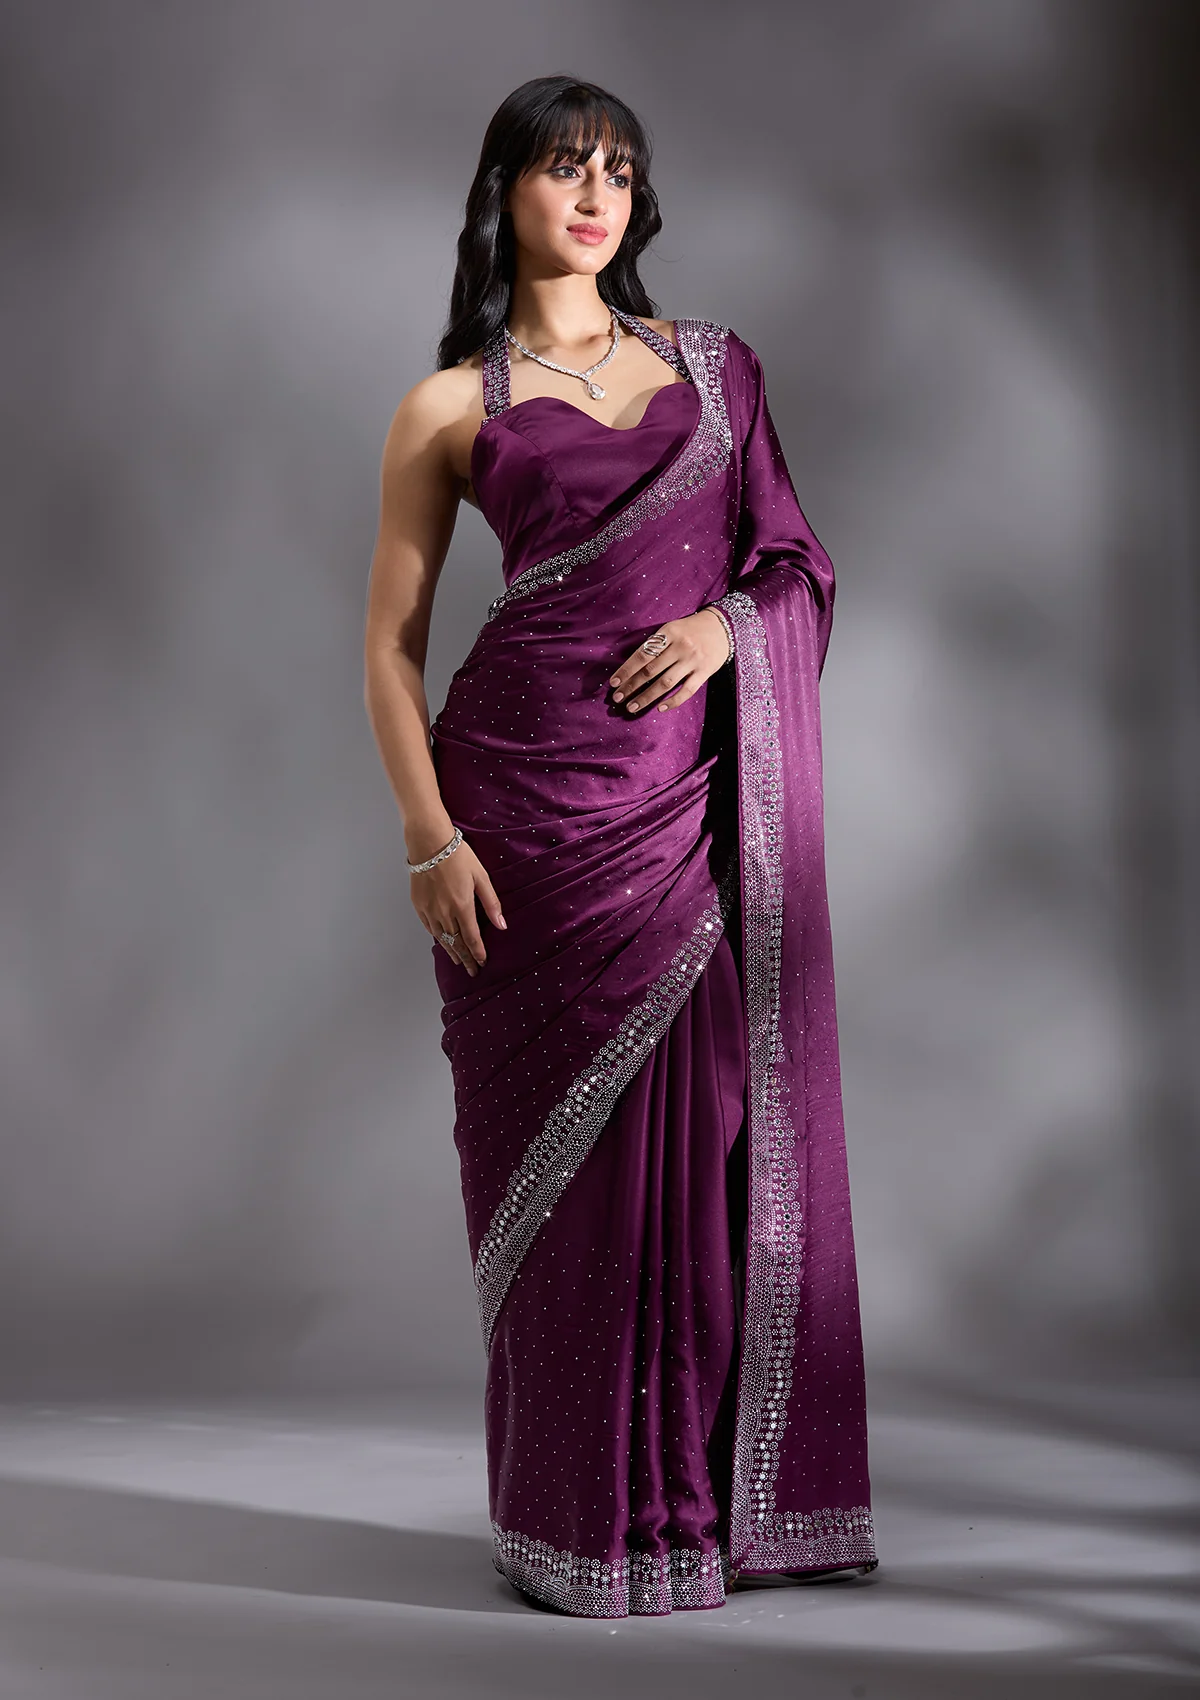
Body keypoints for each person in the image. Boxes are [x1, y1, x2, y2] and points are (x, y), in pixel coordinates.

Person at [363, 74, 877, 1618]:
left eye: (620, 170)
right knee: (558, 1186)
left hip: (683, 818)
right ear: (503, 190)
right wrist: (428, 839)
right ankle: (577, 1524)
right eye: (565, 166)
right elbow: (389, 649)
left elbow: (795, 565)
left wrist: (729, 629)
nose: (597, 194)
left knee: (702, 1151)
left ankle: (689, 1513)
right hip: (519, 822)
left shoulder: (716, 373)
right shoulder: (450, 406)